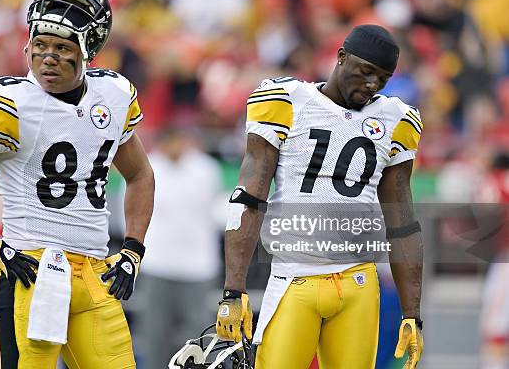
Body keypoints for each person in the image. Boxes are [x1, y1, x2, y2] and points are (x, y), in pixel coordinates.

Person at [0, 0, 155, 369]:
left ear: (88, 50)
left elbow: (140, 175)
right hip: (31, 269)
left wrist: (132, 249)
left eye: (62, 47)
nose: (48, 57)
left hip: (95, 273)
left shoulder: (112, 95)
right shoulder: (11, 103)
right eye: (40, 45)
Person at [216, 25, 424, 368]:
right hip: (295, 277)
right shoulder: (287, 101)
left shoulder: (396, 119)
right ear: (341, 57)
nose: (372, 84)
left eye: (383, 78)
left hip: (359, 281)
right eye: (366, 71)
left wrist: (412, 312)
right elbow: (249, 198)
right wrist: (233, 288)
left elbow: (402, 221)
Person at [139, 127, 223, 368]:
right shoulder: (147, 167)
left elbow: (215, 212)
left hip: (197, 265)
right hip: (158, 264)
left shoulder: (205, 169)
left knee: (200, 336)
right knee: (156, 335)